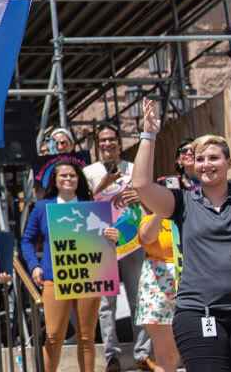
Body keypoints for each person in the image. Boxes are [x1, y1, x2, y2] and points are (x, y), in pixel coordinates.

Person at [132, 98, 231, 372]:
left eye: (214, 158)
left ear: (228, 162)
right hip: (198, 312)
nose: (206, 164)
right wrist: (149, 135)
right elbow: (142, 185)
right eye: (200, 159)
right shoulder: (182, 203)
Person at [20, 156, 118, 372]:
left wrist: (113, 236)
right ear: (54, 180)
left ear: (78, 180)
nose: (68, 179)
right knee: (54, 336)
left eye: (72, 175)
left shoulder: (91, 207)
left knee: (86, 336)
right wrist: (34, 265)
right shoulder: (42, 207)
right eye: (63, 175)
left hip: (88, 278)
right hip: (53, 278)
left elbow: (107, 240)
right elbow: (26, 240)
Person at [82, 122, 151, 372]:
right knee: (105, 304)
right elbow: (83, 205)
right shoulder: (88, 172)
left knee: (138, 298)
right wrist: (101, 186)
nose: (108, 144)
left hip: (132, 241)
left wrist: (140, 196)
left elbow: (150, 198)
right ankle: (112, 356)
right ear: (97, 145)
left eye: (112, 139)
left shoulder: (134, 169)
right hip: (101, 242)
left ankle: (143, 354)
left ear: (119, 143)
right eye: (103, 140)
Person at [136, 210, 179, 372]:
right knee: (166, 356)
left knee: (198, 349)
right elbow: (146, 237)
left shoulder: (190, 211)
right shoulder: (148, 217)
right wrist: (161, 210)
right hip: (157, 288)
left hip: (190, 285)